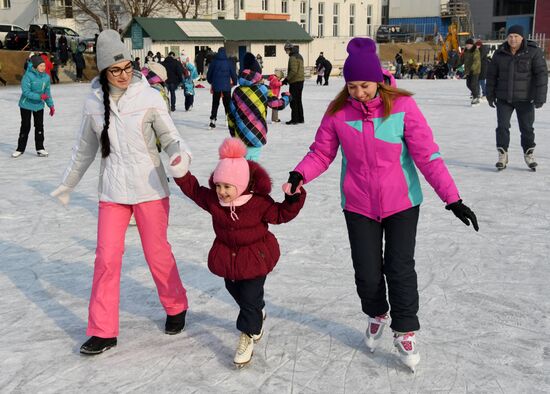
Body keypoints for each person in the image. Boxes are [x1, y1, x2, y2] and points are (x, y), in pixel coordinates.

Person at [283, 37, 479, 373]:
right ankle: (376, 313)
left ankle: (404, 329)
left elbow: (427, 155)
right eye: (352, 86)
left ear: (378, 80)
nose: (359, 92)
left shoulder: (402, 108)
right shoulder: (338, 113)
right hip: (358, 203)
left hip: (401, 202)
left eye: (365, 85)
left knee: (400, 268)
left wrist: (453, 198)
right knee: (367, 271)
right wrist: (300, 174)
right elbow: (321, 153)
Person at [49, 30, 191, 355]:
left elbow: (171, 137)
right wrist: (68, 183)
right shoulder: (93, 104)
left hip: (150, 189)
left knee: (157, 254)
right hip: (112, 191)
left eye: (128, 67)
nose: (124, 75)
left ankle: (176, 305)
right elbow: (83, 150)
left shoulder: (149, 97)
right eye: (116, 70)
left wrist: (180, 156)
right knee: (106, 259)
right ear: (103, 70)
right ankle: (102, 330)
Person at [172, 137, 306, 367]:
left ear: (241, 185)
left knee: (250, 297)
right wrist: (182, 173)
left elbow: (281, 214)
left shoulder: (258, 203)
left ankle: (249, 333)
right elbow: (195, 191)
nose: (222, 192)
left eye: (227, 187)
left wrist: (293, 198)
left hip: (255, 257)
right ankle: (256, 311)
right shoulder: (214, 201)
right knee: (234, 289)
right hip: (228, 258)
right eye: (218, 185)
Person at [486, 25, 548, 171]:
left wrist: (540, 97)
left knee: (526, 128)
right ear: (507, 38)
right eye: (510, 36)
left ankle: (529, 154)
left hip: (525, 98)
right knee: (502, 127)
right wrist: (490, 94)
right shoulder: (500, 53)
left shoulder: (533, 52)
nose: (513, 39)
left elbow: (541, 75)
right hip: (504, 98)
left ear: (522, 37)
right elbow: (491, 75)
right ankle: (502, 154)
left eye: (516, 36)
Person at [227, 67, 290, 161]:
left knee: (241, 164)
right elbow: (277, 105)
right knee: (253, 163)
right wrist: (287, 97)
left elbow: (231, 114)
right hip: (257, 133)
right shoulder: (264, 89)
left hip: (240, 134)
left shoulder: (237, 91)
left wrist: (233, 133)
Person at [11, 55, 55, 158]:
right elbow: (26, 92)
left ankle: (40, 148)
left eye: (44, 65)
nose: (43, 68)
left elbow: (47, 92)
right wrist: (39, 96)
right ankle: (20, 149)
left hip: (39, 105)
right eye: (41, 65)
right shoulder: (27, 76)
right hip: (26, 104)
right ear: (35, 66)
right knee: (25, 126)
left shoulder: (46, 77)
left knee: (39, 126)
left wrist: (51, 105)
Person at [206, 47, 238, 129]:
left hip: (216, 86)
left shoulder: (214, 62)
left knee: (215, 103)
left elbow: (209, 74)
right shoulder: (229, 62)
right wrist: (234, 82)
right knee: (227, 104)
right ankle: (228, 119)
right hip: (226, 87)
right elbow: (233, 74)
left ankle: (213, 120)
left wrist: (211, 82)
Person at [282, 43, 304, 125]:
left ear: (289, 49)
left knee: (293, 101)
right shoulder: (299, 55)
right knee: (298, 100)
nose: (286, 52)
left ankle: (294, 119)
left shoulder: (292, 57)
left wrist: (286, 79)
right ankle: (300, 118)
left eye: (286, 50)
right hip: (300, 80)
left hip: (295, 81)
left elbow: (293, 71)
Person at [463, 38, 481, 106]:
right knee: (468, 84)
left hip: (475, 70)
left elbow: (476, 61)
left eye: (468, 45)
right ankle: (475, 94)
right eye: (466, 44)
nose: (467, 46)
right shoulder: (466, 51)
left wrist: (472, 69)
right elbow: (462, 59)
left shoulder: (475, 51)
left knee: (473, 84)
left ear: (472, 45)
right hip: (468, 70)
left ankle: (476, 97)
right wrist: (457, 65)